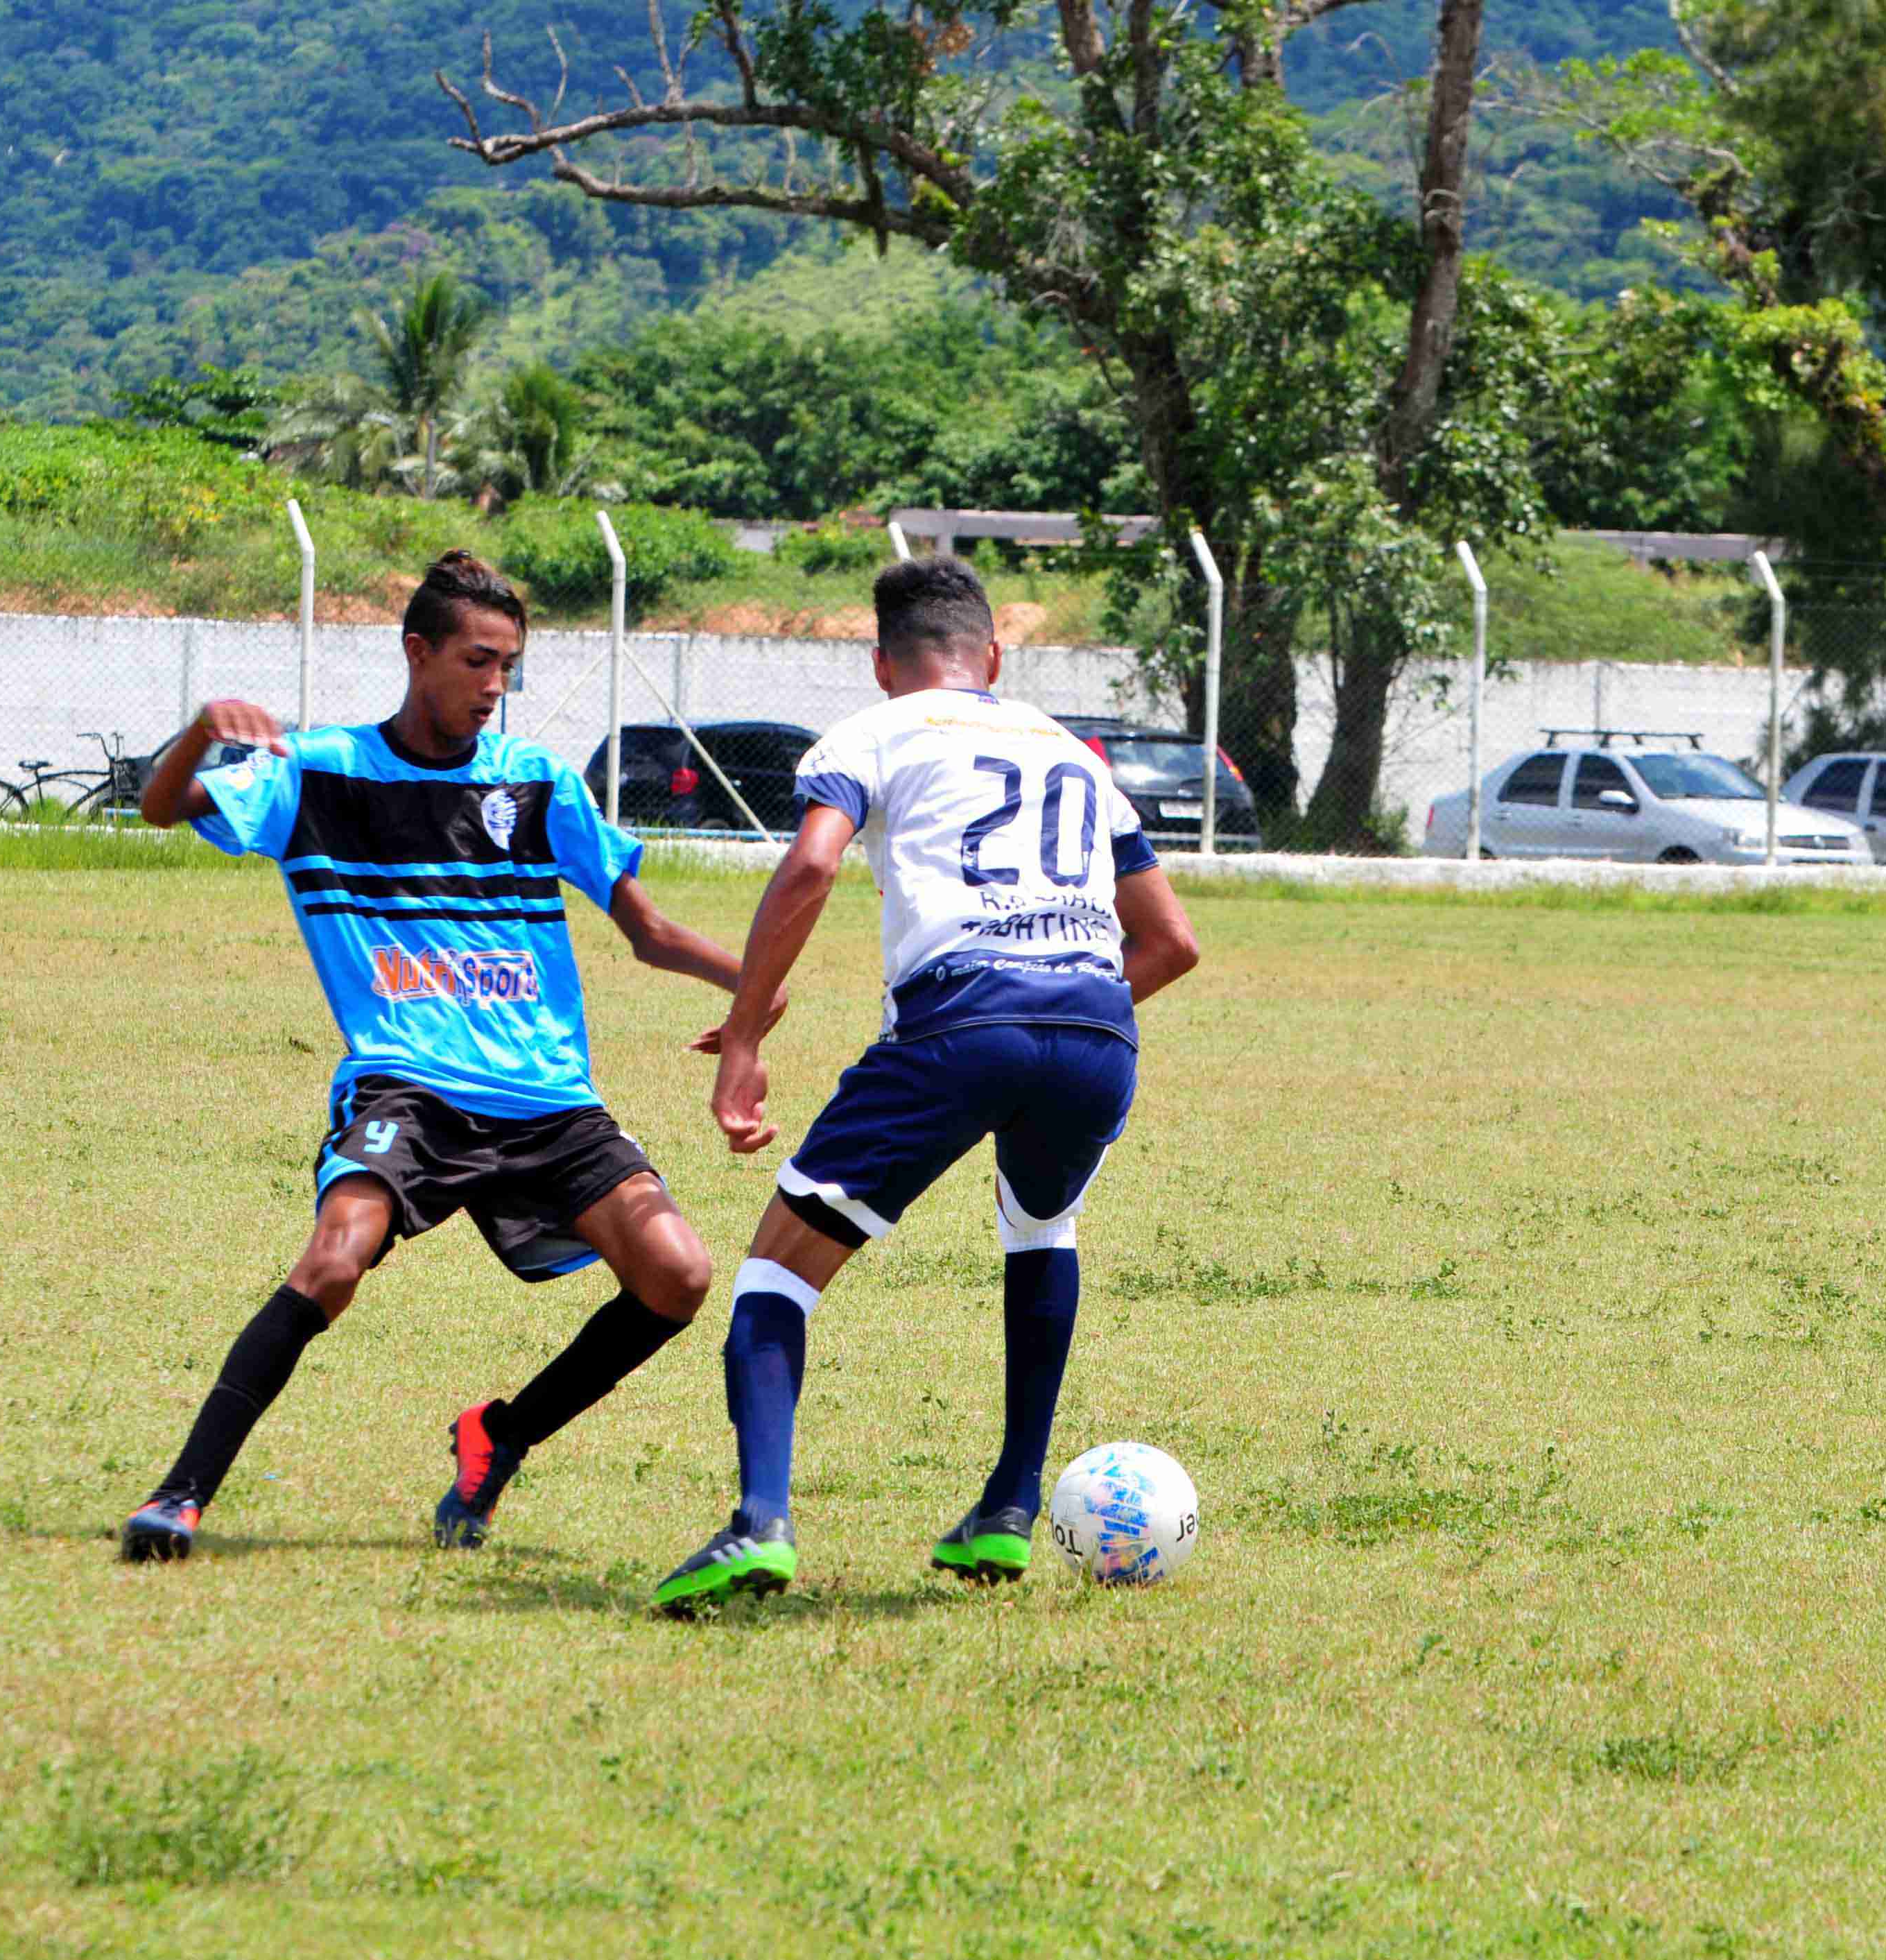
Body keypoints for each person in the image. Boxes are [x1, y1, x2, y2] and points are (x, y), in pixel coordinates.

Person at [119, 550, 761, 1561]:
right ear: (417, 653)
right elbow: (161, 808)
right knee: (334, 1262)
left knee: (677, 1275)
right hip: (407, 1088)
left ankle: (500, 1439)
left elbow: (647, 931)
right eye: (477, 661)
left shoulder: (538, 781)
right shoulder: (317, 771)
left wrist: (757, 995)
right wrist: (204, 729)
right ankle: (180, 1495)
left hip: (547, 1096)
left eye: (508, 666)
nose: (494, 688)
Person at [655, 555, 1201, 1612]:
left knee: (779, 1270)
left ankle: (760, 1522)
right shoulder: (1074, 753)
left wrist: (746, 1033)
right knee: (1042, 1233)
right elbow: (1172, 943)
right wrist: (1064, 1009)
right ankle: (1007, 1507)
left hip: (960, 1020)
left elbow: (811, 865)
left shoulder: (874, 733)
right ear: (994, 656)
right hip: (1096, 1025)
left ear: (882, 664)